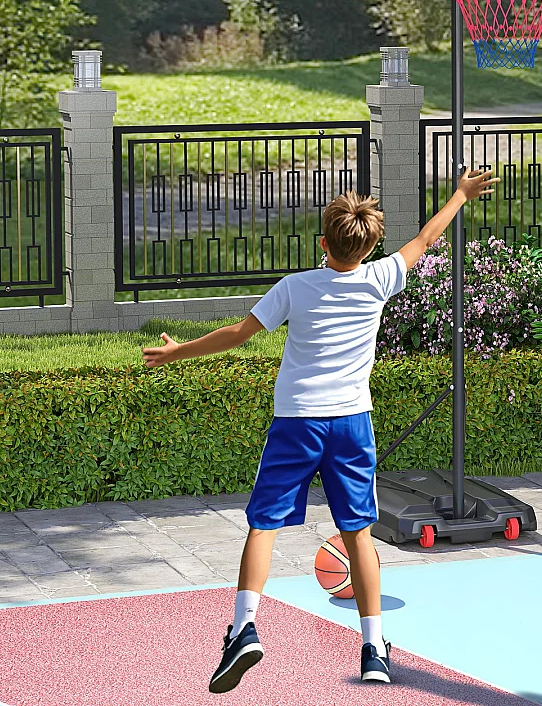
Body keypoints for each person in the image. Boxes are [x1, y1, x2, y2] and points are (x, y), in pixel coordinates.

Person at [142, 167, 497, 690]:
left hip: (296, 423)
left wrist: (176, 352)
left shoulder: (295, 287)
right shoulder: (380, 279)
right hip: (352, 424)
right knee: (357, 534)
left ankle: (243, 629)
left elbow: (237, 335)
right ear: (370, 245)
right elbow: (426, 238)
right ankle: (374, 649)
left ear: (322, 241)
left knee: (263, 524)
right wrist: (460, 194)